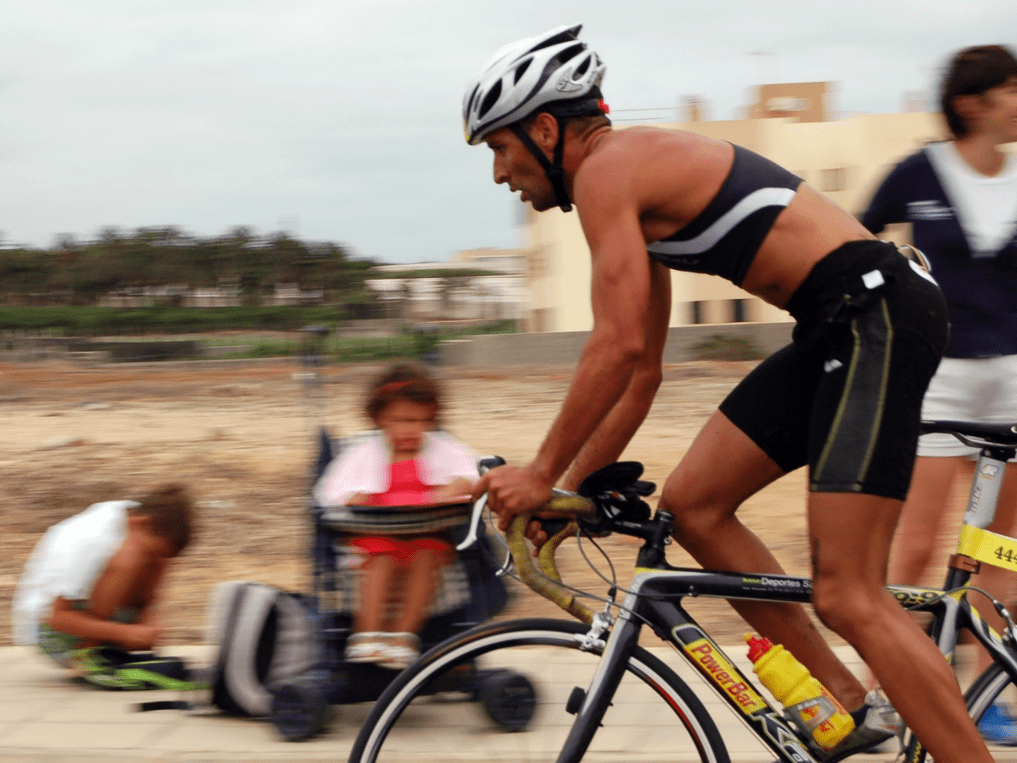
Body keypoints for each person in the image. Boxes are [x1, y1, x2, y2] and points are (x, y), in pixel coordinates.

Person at [464, 24, 990, 761]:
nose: (499, 173)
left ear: (545, 128)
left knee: (848, 592)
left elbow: (612, 346)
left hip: (873, 314)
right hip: (837, 321)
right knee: (694, 505)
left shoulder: (605, 172)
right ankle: (840, 699)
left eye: (499, 148)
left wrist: (539, 474)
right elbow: (641, 364)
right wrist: (570, 489)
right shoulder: (625, 182)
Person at [862, 43, 1017, 744]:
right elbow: (851, 242)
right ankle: (887, 691)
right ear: (970, 103)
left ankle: (990, 692)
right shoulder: (917, 172)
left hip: (1012, 383)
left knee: (1001, 547)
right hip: (938, 379)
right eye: (1010, 89)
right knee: (917, 544)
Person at [313, 363, 478, 669]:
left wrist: (460, 484)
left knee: (429, 555)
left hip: (426, 534)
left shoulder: (442, 449)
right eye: (401, 421)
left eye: (421, 421)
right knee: (383, 554)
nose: (411, 429)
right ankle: (367, 635)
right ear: (379, 419)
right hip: (375, 535)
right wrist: (352, 497)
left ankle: (403, 637)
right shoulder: (363, 453)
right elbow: (328, 491)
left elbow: (475, 470)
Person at [12, 484, 195, 686]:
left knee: (156, 556)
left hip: (91, 613)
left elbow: (159, 559)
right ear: (142, 523)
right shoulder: (90, 538)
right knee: (130, 557)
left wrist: (150, 615)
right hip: (49, 629)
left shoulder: (143, 520)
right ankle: (86, 653)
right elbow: (57, 616)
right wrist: (125, 633)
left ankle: (100, 647)